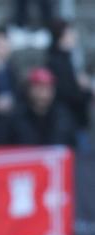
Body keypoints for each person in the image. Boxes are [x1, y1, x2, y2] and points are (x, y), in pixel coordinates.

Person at [0, 67, 73, 235]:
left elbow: (65, 147)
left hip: (49, 196)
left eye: (47, 88)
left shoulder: (60, 115)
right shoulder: (17, 116)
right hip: (19, 194)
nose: (43, 93)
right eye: (38, 87)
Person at [46, 20, 93, 150]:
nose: (74, 37)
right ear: (62, 37)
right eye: (70, 33)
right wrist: (88, 93)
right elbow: (67, 93)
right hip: (68, 121)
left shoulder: (68, 58)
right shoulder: (57, 62)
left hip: (75, 120)